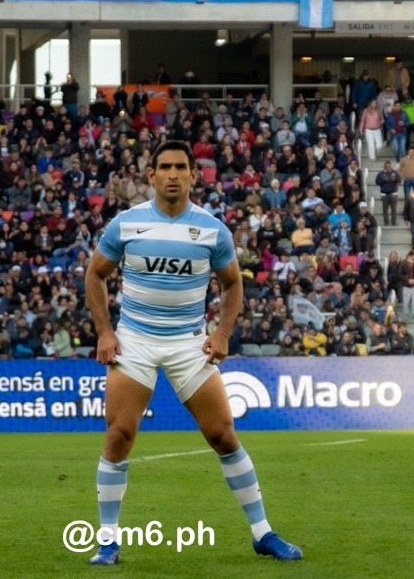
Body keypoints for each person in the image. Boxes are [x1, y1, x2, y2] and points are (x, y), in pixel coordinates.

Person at [85, 140, 301, 565]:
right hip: (136, 342)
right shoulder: (125, 225)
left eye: (179, 167)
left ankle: (262, 533)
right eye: (163, 167)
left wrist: (222, 332)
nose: (171, 174)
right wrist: (105, 331)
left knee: (224, 436)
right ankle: (107, 540)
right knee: (118, 436)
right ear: (150, 175)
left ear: (191, 174)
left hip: (188, 343)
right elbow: (96, 274)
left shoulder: (212, 229)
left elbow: (233, 282)